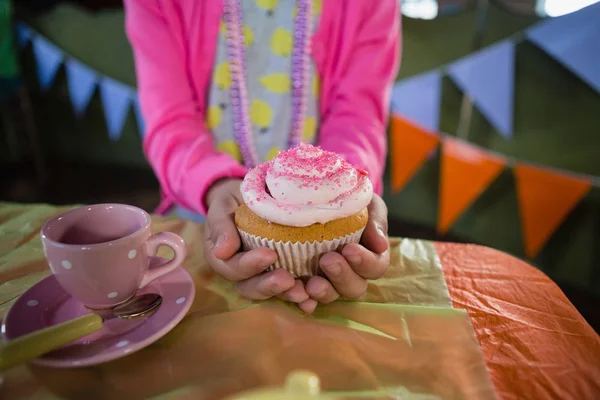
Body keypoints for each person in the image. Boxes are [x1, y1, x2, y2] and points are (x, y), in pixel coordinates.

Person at [124, 0, 400, 313]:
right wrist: (217, 187)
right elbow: (170, 124)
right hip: (201, 223)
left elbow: (358, 119)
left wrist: (352, 188)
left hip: (335, 227)